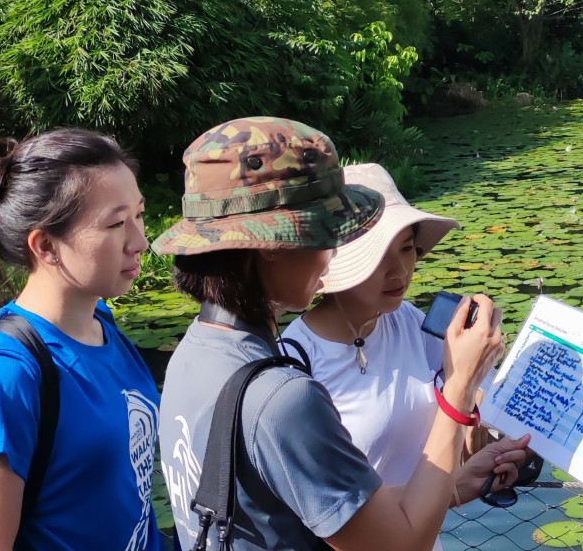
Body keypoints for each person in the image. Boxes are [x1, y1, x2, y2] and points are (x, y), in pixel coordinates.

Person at [157, 117, 515, 551]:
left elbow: (333, 514)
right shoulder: (284, 396)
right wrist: (460, 388)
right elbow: (401, 546)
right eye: (326, 232)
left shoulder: (193, 354)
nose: (331, 254)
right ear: (272, 246)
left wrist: (456, 483)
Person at [280, 163, 529, 548]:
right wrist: (462, 398)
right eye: (380, 254)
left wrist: (479, 416)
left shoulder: (408, 321)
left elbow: (468, 395)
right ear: (336, 261)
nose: (400, 270)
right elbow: (329, 517)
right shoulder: (293, 366)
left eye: (408, 248)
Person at [0, 129, 159, 551]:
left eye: (139, 214)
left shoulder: (102, 323)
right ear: (45, 246)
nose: (140, 241)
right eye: (116, 223)